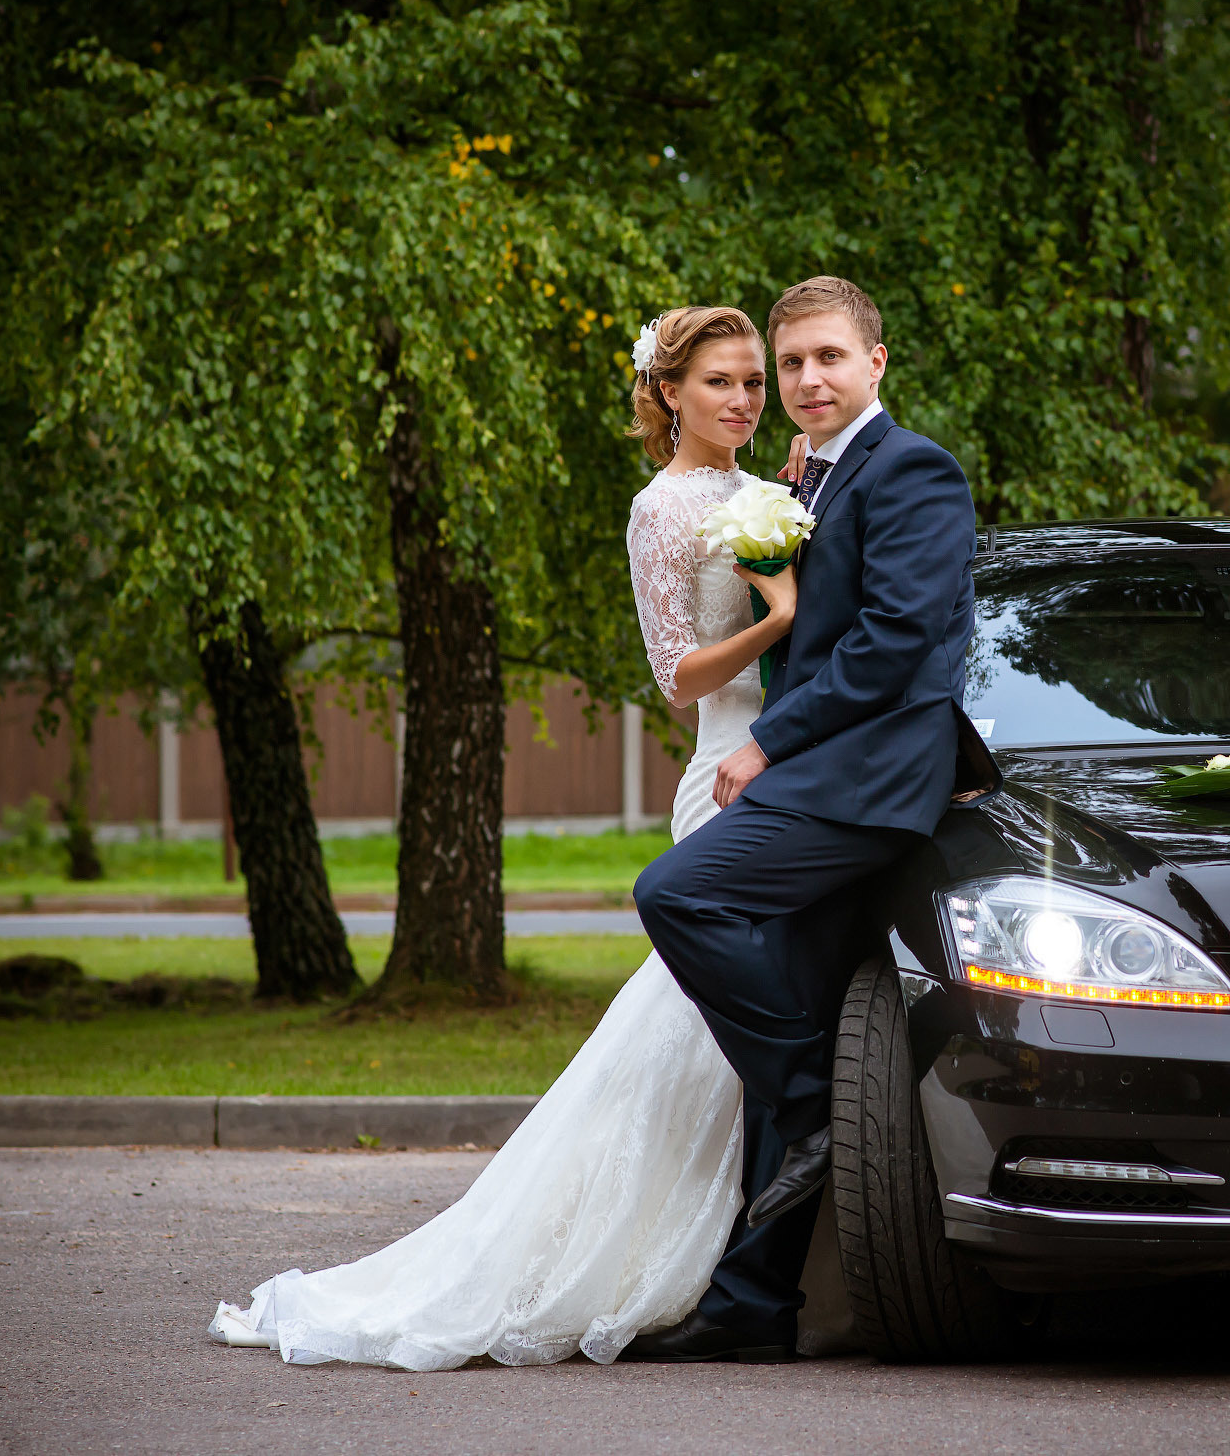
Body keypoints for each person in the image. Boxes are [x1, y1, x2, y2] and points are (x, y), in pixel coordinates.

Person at [203, 304, 837, 1368]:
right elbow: (673, 673)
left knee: (729, 1045)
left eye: (751, 384)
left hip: (786, 764)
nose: (740, 400)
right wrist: (774, 622)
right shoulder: (663, 509)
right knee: (694, 1039)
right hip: (723, 775)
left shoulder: (766, 493)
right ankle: (656, 1263)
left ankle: (763, 1269)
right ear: (669, 393)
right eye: (720, 382)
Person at [621, 275, 997, 1363]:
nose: (806, 380)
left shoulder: (913, 466)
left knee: (677, 893)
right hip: (823, 773)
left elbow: (893, 642)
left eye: (828, 357)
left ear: (875, 361)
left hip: (866, 780)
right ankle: (751, 1304)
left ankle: (815, 1102)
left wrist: (766, 742)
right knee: (789, 1005)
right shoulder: (808, 479)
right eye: (792, 365)